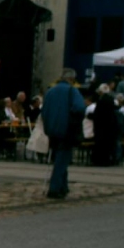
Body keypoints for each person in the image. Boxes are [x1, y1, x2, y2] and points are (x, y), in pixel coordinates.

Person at [40, 68, 86, 199]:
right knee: (62, 160)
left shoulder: (50, 91)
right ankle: (54, 188)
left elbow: (43, 111)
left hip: (51, 130)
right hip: (66, 130)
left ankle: (63, 187)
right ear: (71, 79)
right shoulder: (72, 91)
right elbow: (79, 108)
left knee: (59, 159)